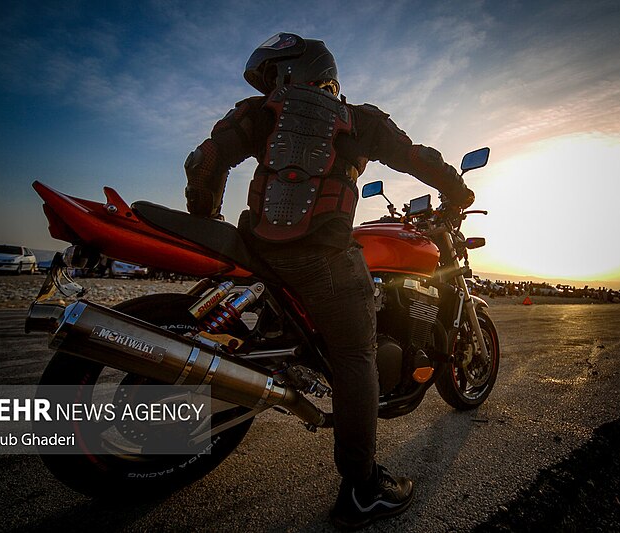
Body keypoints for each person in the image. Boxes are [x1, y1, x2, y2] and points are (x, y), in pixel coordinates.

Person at [183, 33, 475, 529]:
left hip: (255, 251)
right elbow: (417, 157)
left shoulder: (257, 112)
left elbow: (205, 160)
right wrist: (456, 189)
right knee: (356, 355)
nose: (274, 84)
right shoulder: (361, 120)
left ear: (291, 71)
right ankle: (362, 490)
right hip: (322, 258)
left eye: (275, 74)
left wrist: (207, 218)